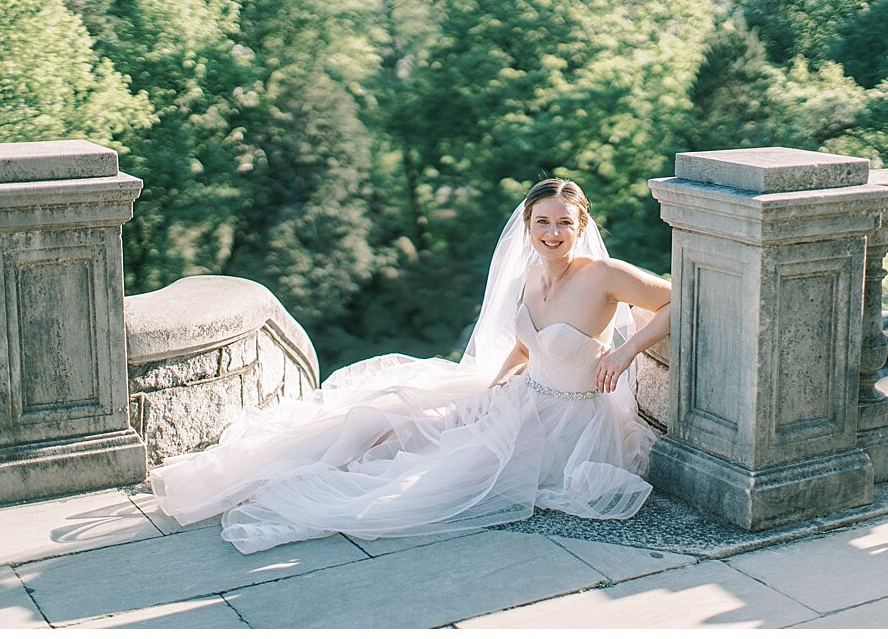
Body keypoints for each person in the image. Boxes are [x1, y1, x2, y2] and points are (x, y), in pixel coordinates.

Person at [151, 178, 672, 554]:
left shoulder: (605, 274)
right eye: (542, 223)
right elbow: (527, 346)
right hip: (520, 396)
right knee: (382, 416)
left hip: (567, 426)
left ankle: (313, 484)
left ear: (581, 226)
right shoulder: (532, 278)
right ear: (528, 227)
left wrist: (627, 350)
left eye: (563, 223)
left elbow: (675, 300)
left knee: (426, 475)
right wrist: (492, 387)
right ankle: (308, 470)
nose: (552, 233)